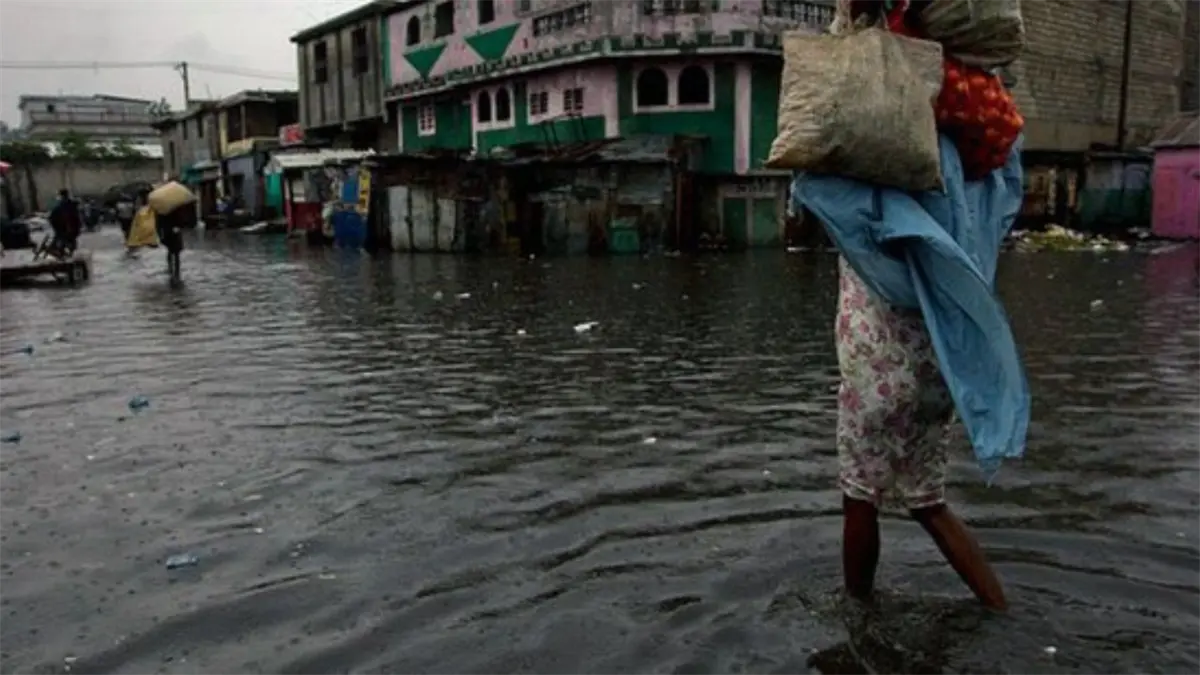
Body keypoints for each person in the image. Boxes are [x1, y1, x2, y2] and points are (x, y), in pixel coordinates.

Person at [799, 0, 1025, 612]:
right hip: (943, 358)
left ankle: (857, 614)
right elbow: (1008, 187)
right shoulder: (978, 164)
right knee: (928, 500)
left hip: (882, 357)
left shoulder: (884, 160)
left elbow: (818, 184)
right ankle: (998, 608)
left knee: (859, 495)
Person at [47, 188, 83, 258]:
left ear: (61, 196)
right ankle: (63, 251)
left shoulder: (63, 205)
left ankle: (60, 252)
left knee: (61, 241)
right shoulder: (71, 205)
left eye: (59, 196)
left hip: (66, 229)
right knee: (64, 241)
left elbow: (54, 217)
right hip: (70, 229)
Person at [156, 207, 185, 283]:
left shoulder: (164, 210)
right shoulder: (164, 211)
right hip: (169, 233)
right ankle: (173, 269)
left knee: (174, 252)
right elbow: (159, 223)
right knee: (173, 251)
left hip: (172, 233)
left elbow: (158, 224)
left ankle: (174, 269)